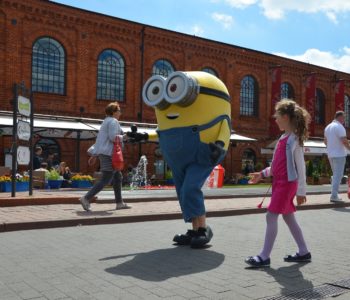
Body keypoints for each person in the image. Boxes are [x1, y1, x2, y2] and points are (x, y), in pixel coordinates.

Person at [245, 99, 311, 267]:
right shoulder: (283, 138)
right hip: (281, 183)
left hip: (287, 184)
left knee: (271, 215)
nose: (275, 119)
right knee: (288, 217)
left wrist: (302, 191)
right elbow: (276, 166)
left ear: (286, 117)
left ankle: (264, 256)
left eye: (278, 116)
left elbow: (301, 167)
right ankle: (304, 252)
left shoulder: (294, 139)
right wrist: (262, 174)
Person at [79, 102, 131, 211]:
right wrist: (124, 136)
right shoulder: (113, 121)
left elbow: (101, 140)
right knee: (106, 179)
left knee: (118, 177)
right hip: (109, 154)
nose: (120, 112)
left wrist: (95, 154)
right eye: (119, 110)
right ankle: (86, 198)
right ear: (113, 112)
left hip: (105, 153)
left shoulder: (106, 122)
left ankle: (119, 203)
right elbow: (113, 138)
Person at [324, 111, 350, 203]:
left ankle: (334, 194)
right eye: (343, 118)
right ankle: (334, 195)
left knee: (335, 175)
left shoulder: (328, 127)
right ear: (340, 117)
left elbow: (325, 141)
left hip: (330, 154)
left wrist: (331, 148)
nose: (344, 120)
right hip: (339, 154)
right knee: (338, 176)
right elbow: (344, 141)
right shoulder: (340, 127)